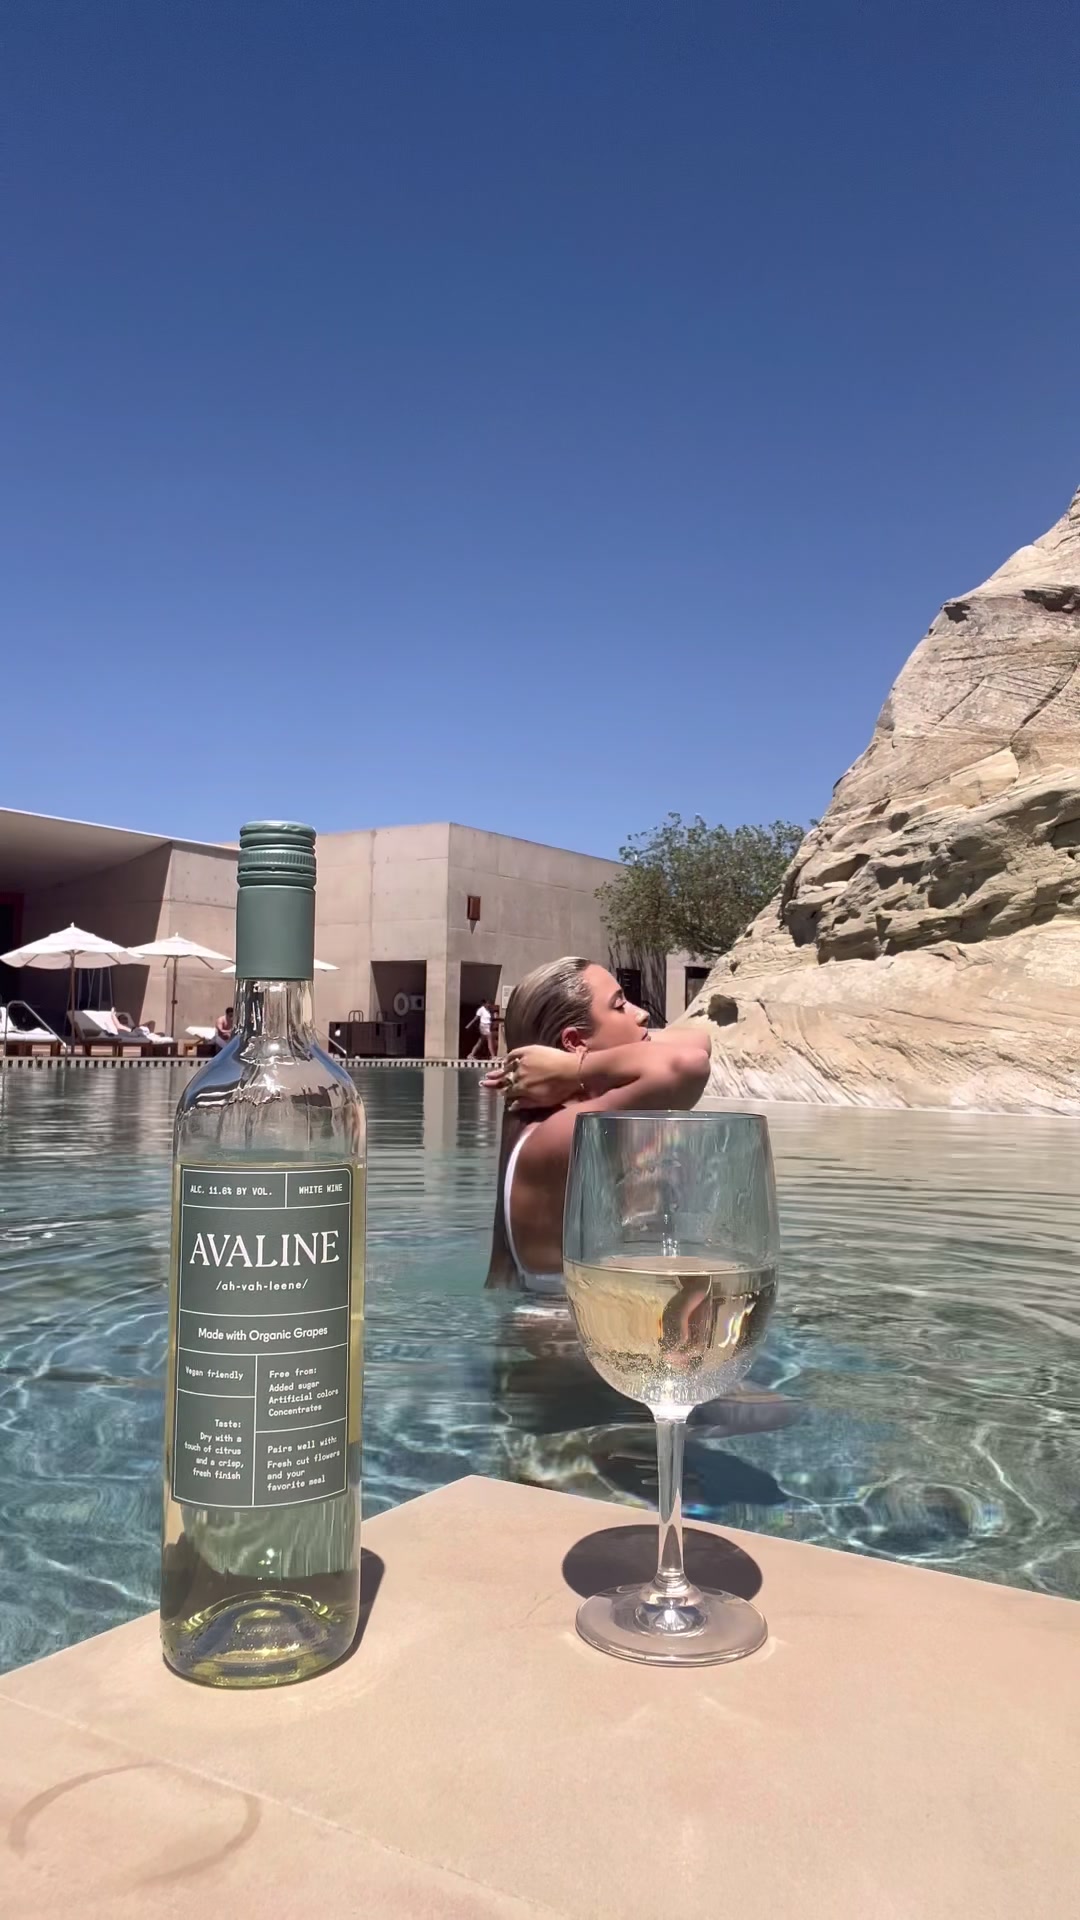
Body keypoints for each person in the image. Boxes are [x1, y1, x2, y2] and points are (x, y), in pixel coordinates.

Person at [484, 957, 711, 1291]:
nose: (641, 1014)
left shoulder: (578, 1117)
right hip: (563, 1325)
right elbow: (688, 1065)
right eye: (619, 1006)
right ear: (575, 1041)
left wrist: (574, 1066)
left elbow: (700, 1041)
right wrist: (576, 1069)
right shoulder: (554, 1135)